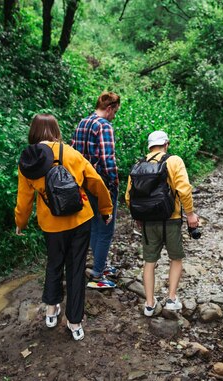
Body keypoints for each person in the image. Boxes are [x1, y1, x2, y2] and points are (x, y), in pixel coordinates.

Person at [15, 114, 113, 341]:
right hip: (80, 220)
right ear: (55, 130)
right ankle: (75, 322)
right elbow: (95, 181)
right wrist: (106, 209)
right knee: (76, 268)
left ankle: (51, 311)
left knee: (54, 263)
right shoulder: (70, 153)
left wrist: (21, 222)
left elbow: (24, 198)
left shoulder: (28, 161)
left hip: (51, 225)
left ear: (34, 131)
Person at [125, 130, 199, 316]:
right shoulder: (174, 161)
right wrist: (190, 214)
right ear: (166, 143)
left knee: (149, 261)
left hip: (148, 222)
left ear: (149, 146)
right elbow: (184, 190)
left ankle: (149, 304)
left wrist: (139, 216)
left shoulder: (139, 165)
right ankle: (171, 298)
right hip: (171, 219)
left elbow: (128, 196)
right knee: (176, 258)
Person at [71, 91, 121, 289]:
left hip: (83, 183)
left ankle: (99, 264)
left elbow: (74, 153)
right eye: (115, 111)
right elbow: (108, 160)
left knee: (93, 226)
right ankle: (98, 274)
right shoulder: (104, 126)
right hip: (101, 184)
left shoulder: (82, 123)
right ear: (109, 108)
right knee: (106, 230)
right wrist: (114, 183)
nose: (114, 116)